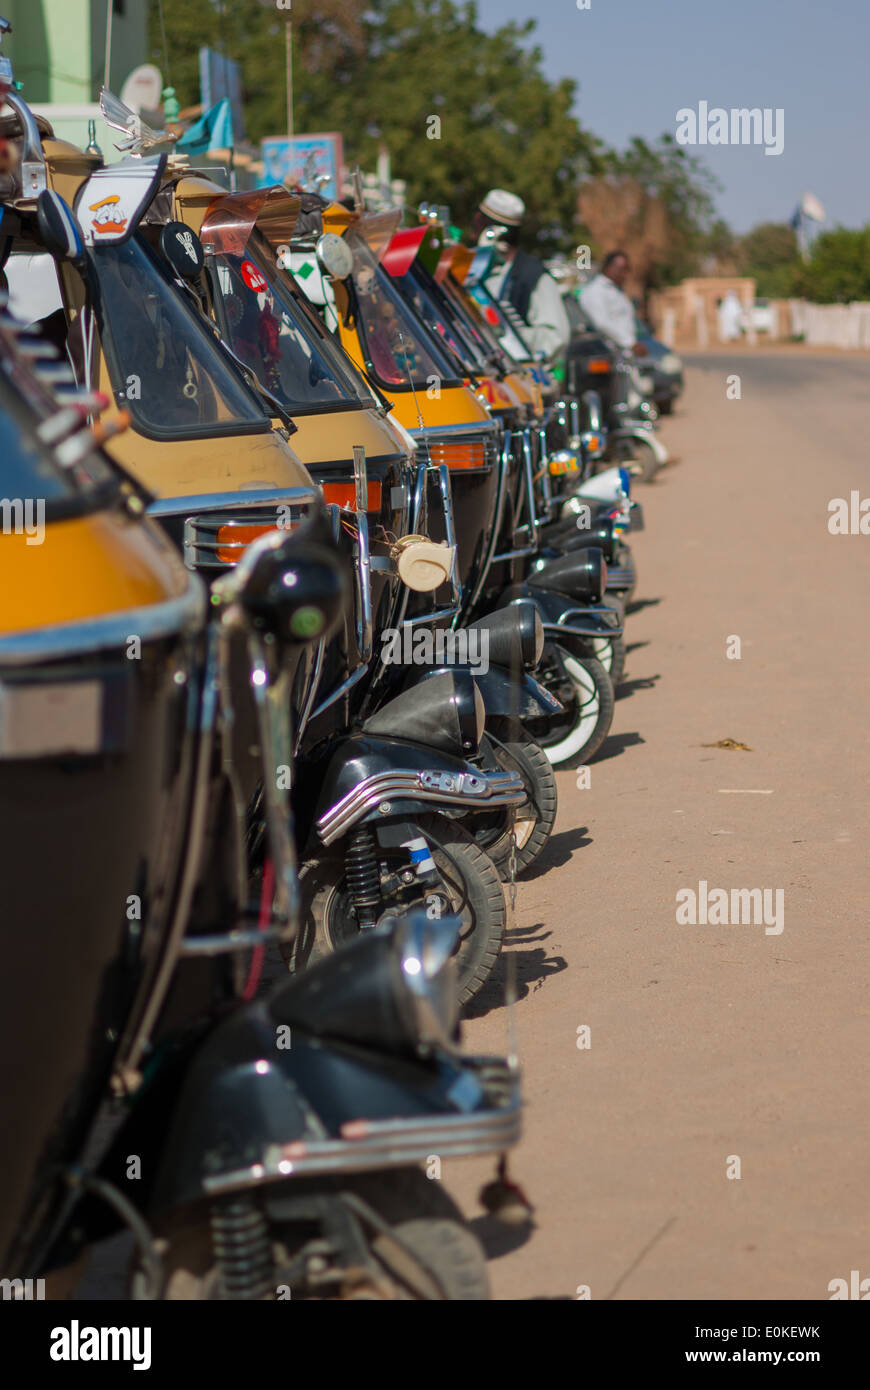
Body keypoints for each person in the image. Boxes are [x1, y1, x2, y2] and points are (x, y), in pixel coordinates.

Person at [473, 188, 570, 362]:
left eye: (479, 222)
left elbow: (556, 337)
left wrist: (509, 334)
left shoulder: (534, 276)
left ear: (492, 232)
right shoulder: (472, 268)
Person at [577, 250, 647, 356]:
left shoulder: (616, 291)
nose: (625, 274)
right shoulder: (595, 291)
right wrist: (630, 343)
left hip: (623, 355)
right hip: (604, 356)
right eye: (622, 269)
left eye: (627, 270)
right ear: (609, 268)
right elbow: (601, 323)